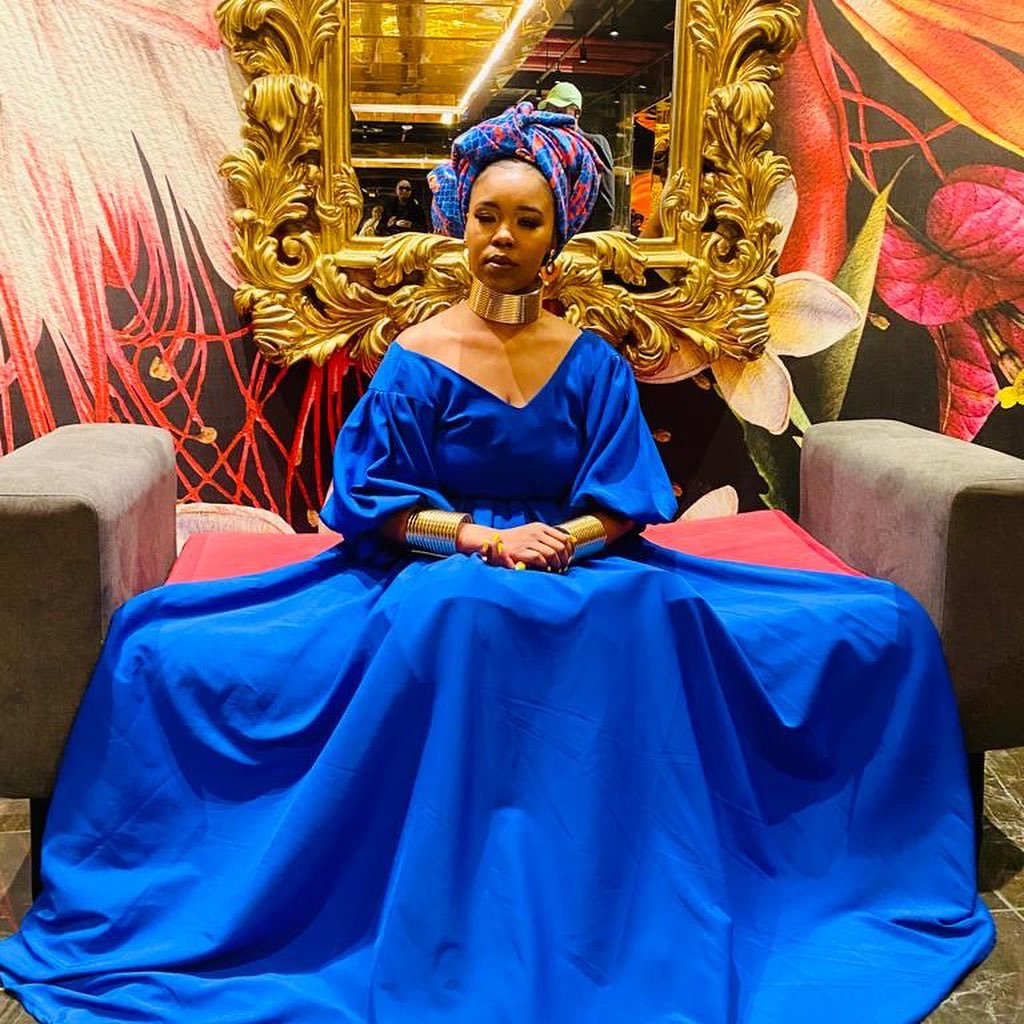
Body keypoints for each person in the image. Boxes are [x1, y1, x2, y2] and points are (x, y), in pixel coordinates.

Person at [0, 103, 994, 1023]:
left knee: (661, 615)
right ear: (459, 220)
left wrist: (567, 540)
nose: (503, 238)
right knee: (453, 615)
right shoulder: (417, 356)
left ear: (557, 232)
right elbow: (372, 503)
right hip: (437, 558)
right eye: (487, 216)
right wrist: (481, 540)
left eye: (527, 220)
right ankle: (458, 900)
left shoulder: (592, 360)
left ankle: (618, 893)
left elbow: (625, 498)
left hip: (579, 563)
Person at [539, 80, 615, 231]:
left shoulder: (593, 143)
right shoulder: (546, 146)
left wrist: (592, 241)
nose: (553, 117)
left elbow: (605, 204)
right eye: (550, 111)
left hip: (583, 236)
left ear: (577, 113)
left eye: (559, 111)